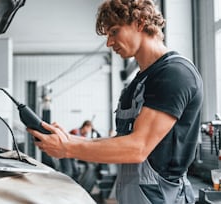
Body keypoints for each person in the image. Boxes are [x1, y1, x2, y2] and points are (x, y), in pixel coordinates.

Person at [27, 0, 203, 203]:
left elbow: (137, 148)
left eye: (114, 32)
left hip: (162, 198)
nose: (109, 43)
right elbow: (121, 141)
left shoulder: (174, 74)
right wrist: (68, 139)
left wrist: (67, 149)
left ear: (140, 22)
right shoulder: (138, 82)